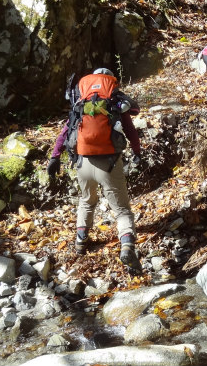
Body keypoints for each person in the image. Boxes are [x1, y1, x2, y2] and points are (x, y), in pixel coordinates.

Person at [46, 68, 143, 271]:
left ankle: (80, 241)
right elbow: (130, 130)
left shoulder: (81, 104)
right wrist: (137, 152)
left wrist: (55, 157)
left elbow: (66, 131)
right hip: (109, 162)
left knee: (86, 200)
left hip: (83, 161)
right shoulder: (114, 103)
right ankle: (127, 245)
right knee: (121, 209)